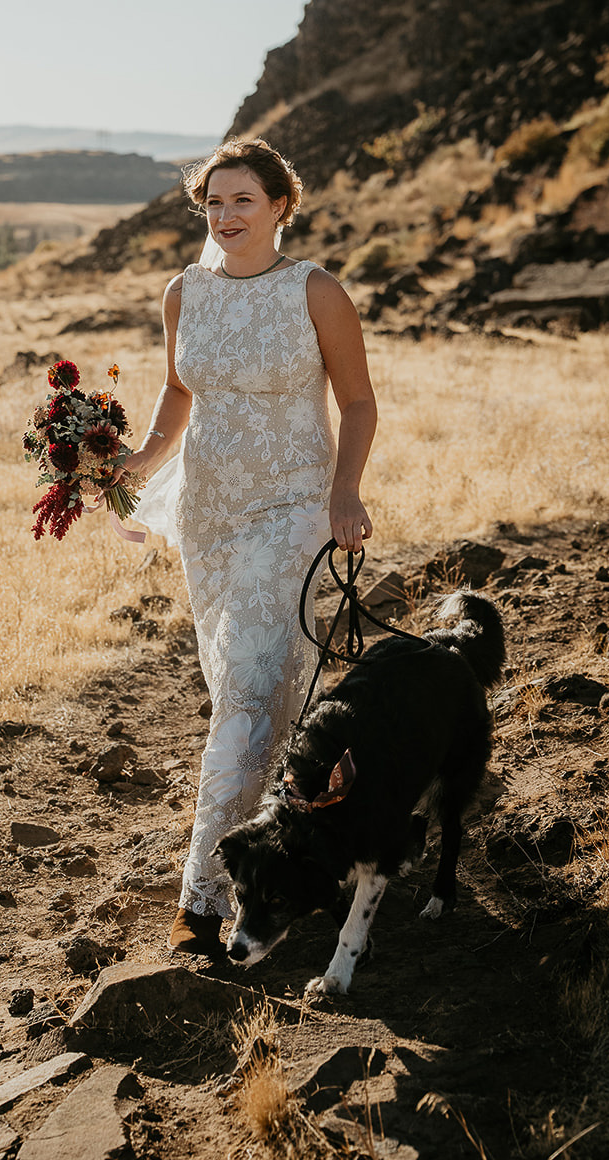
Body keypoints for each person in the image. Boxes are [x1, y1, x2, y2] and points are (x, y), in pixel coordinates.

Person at [121, 137, 377, 956]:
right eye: (212, 204)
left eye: (241, 201)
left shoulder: (315, 290)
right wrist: (138, 461)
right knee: (245, 687)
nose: (225, 217)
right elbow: (176, 388)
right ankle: (289, 849)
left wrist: (344, 491)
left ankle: (199, 898)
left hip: (294, 507)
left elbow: (358, 402)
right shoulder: (183, 291)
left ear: (279, 205)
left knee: (244, 696)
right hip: (211, 517)